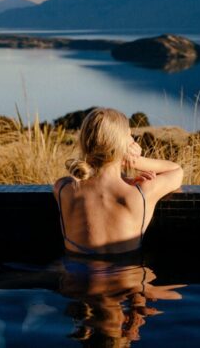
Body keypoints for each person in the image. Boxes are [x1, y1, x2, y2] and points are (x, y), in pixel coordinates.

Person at [53, 108, 183, 257]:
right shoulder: (141, 194)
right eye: (129, 136)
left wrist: (125, 174)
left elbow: (98, 185)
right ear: (123, 146)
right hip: (129, 277)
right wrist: (135, 162)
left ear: (84, 141)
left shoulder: (64, 188)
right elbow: (176, 171)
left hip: (77, 276)